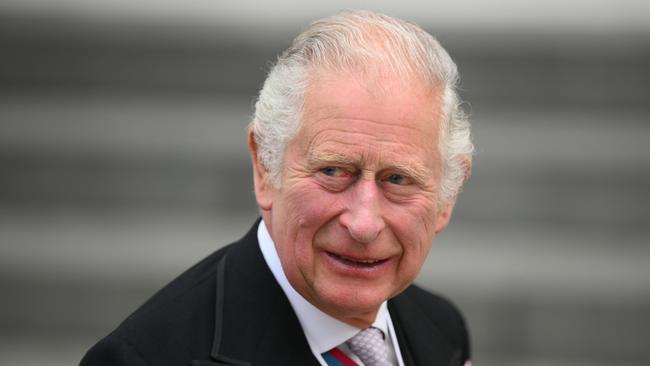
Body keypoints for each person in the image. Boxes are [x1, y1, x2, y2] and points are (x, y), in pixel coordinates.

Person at [81, 9, 474, 366]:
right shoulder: (143, 359)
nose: (364, 223)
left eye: (398, 179)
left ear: (447, 196)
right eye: (333, 171)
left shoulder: (442, 329)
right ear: (265, 168)